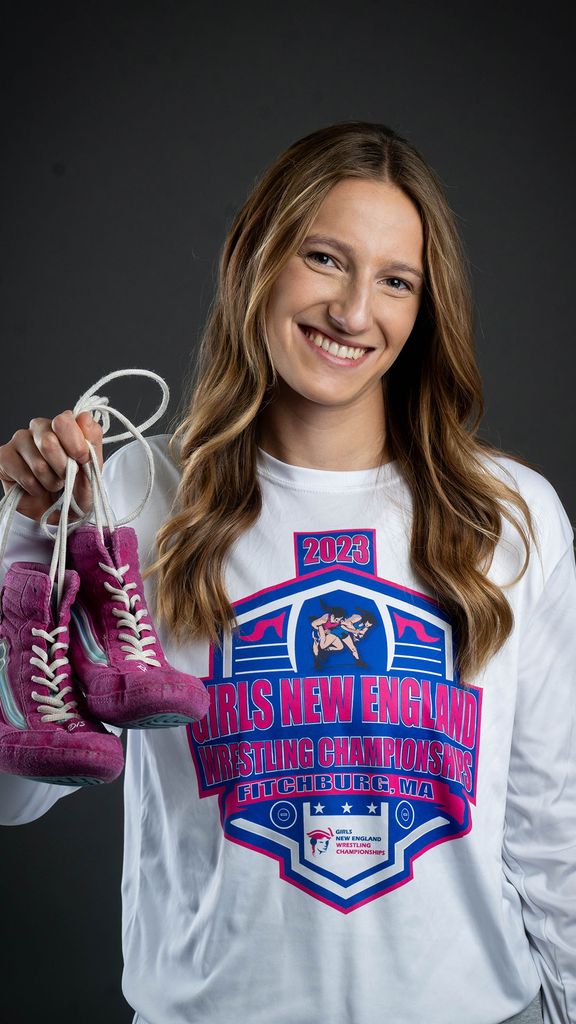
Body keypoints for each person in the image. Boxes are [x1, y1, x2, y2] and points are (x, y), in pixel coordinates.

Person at [0, 121, 574, 1024]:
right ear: (256, 259)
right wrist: (30, 540)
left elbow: (554, 830)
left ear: (425, 309)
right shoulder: (133, 491)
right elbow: (16, 797)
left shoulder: (511, 513)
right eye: (325, 258)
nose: (353, 311)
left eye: (396, 280)